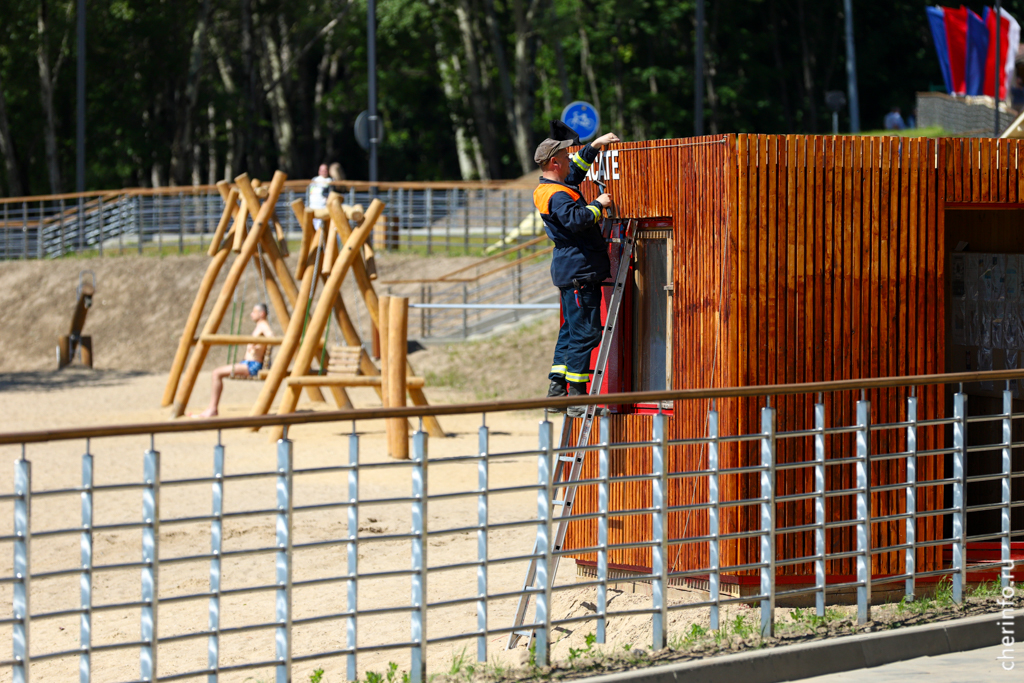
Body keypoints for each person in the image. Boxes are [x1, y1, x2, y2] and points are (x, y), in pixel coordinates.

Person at [534, 122, 620, 417]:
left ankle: (557, 389)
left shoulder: (553, 187)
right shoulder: (558, 195)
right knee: (586, 333)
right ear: (555, 162)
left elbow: (578, 169)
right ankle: (577, 398)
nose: (572, 160)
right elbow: (577, 220)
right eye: (566, 157)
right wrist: (599, 204)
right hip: (579, 270)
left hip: (570, 268)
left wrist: (595, 145)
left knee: (571, 331)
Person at [193, 304, 273, 418]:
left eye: (254, 312)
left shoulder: (263, 326)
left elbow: (271, 336)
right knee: (217, 373)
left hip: (253, 365)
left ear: (262, 314)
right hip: (247, 363)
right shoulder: (260, 326)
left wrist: (257, 344)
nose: (251, 314)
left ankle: (213, 408)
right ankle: (212, 408)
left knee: (216, 373)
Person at [307, 164, 332, 230]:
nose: (323, 172)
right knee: (313, 228)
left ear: (327, 171)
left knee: (322, 228)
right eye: (322, 170)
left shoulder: (330, 181)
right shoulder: (314, 180)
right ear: (319, 171)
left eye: (325, 170)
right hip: (313, 207)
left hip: (323, 208)